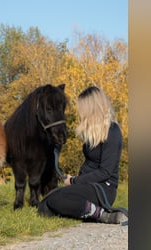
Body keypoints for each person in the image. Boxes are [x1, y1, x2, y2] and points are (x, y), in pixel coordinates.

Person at [38, 86, 126, 224]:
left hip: (103, 188)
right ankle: (87, 210)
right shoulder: (92, 134)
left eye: (82, 108)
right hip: (87, 185)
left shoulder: (113, 131)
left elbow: (105, 171)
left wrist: (73, 181)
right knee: (44, 207)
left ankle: (102, 215)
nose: (79, 112)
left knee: (57, 200)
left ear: (91, 108)